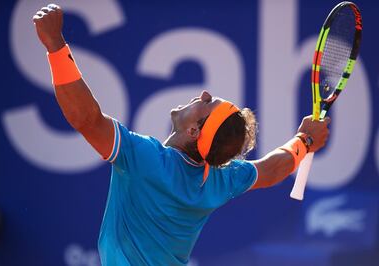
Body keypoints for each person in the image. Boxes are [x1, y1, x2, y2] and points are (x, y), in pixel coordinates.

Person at [33, 4, 330, 266]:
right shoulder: (219, 178)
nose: (202, 94)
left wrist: (56, 46)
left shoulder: (146, 159)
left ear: (193, 130)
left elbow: (86, 119)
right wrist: (303, 141)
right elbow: (271, 169)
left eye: (206, 103)